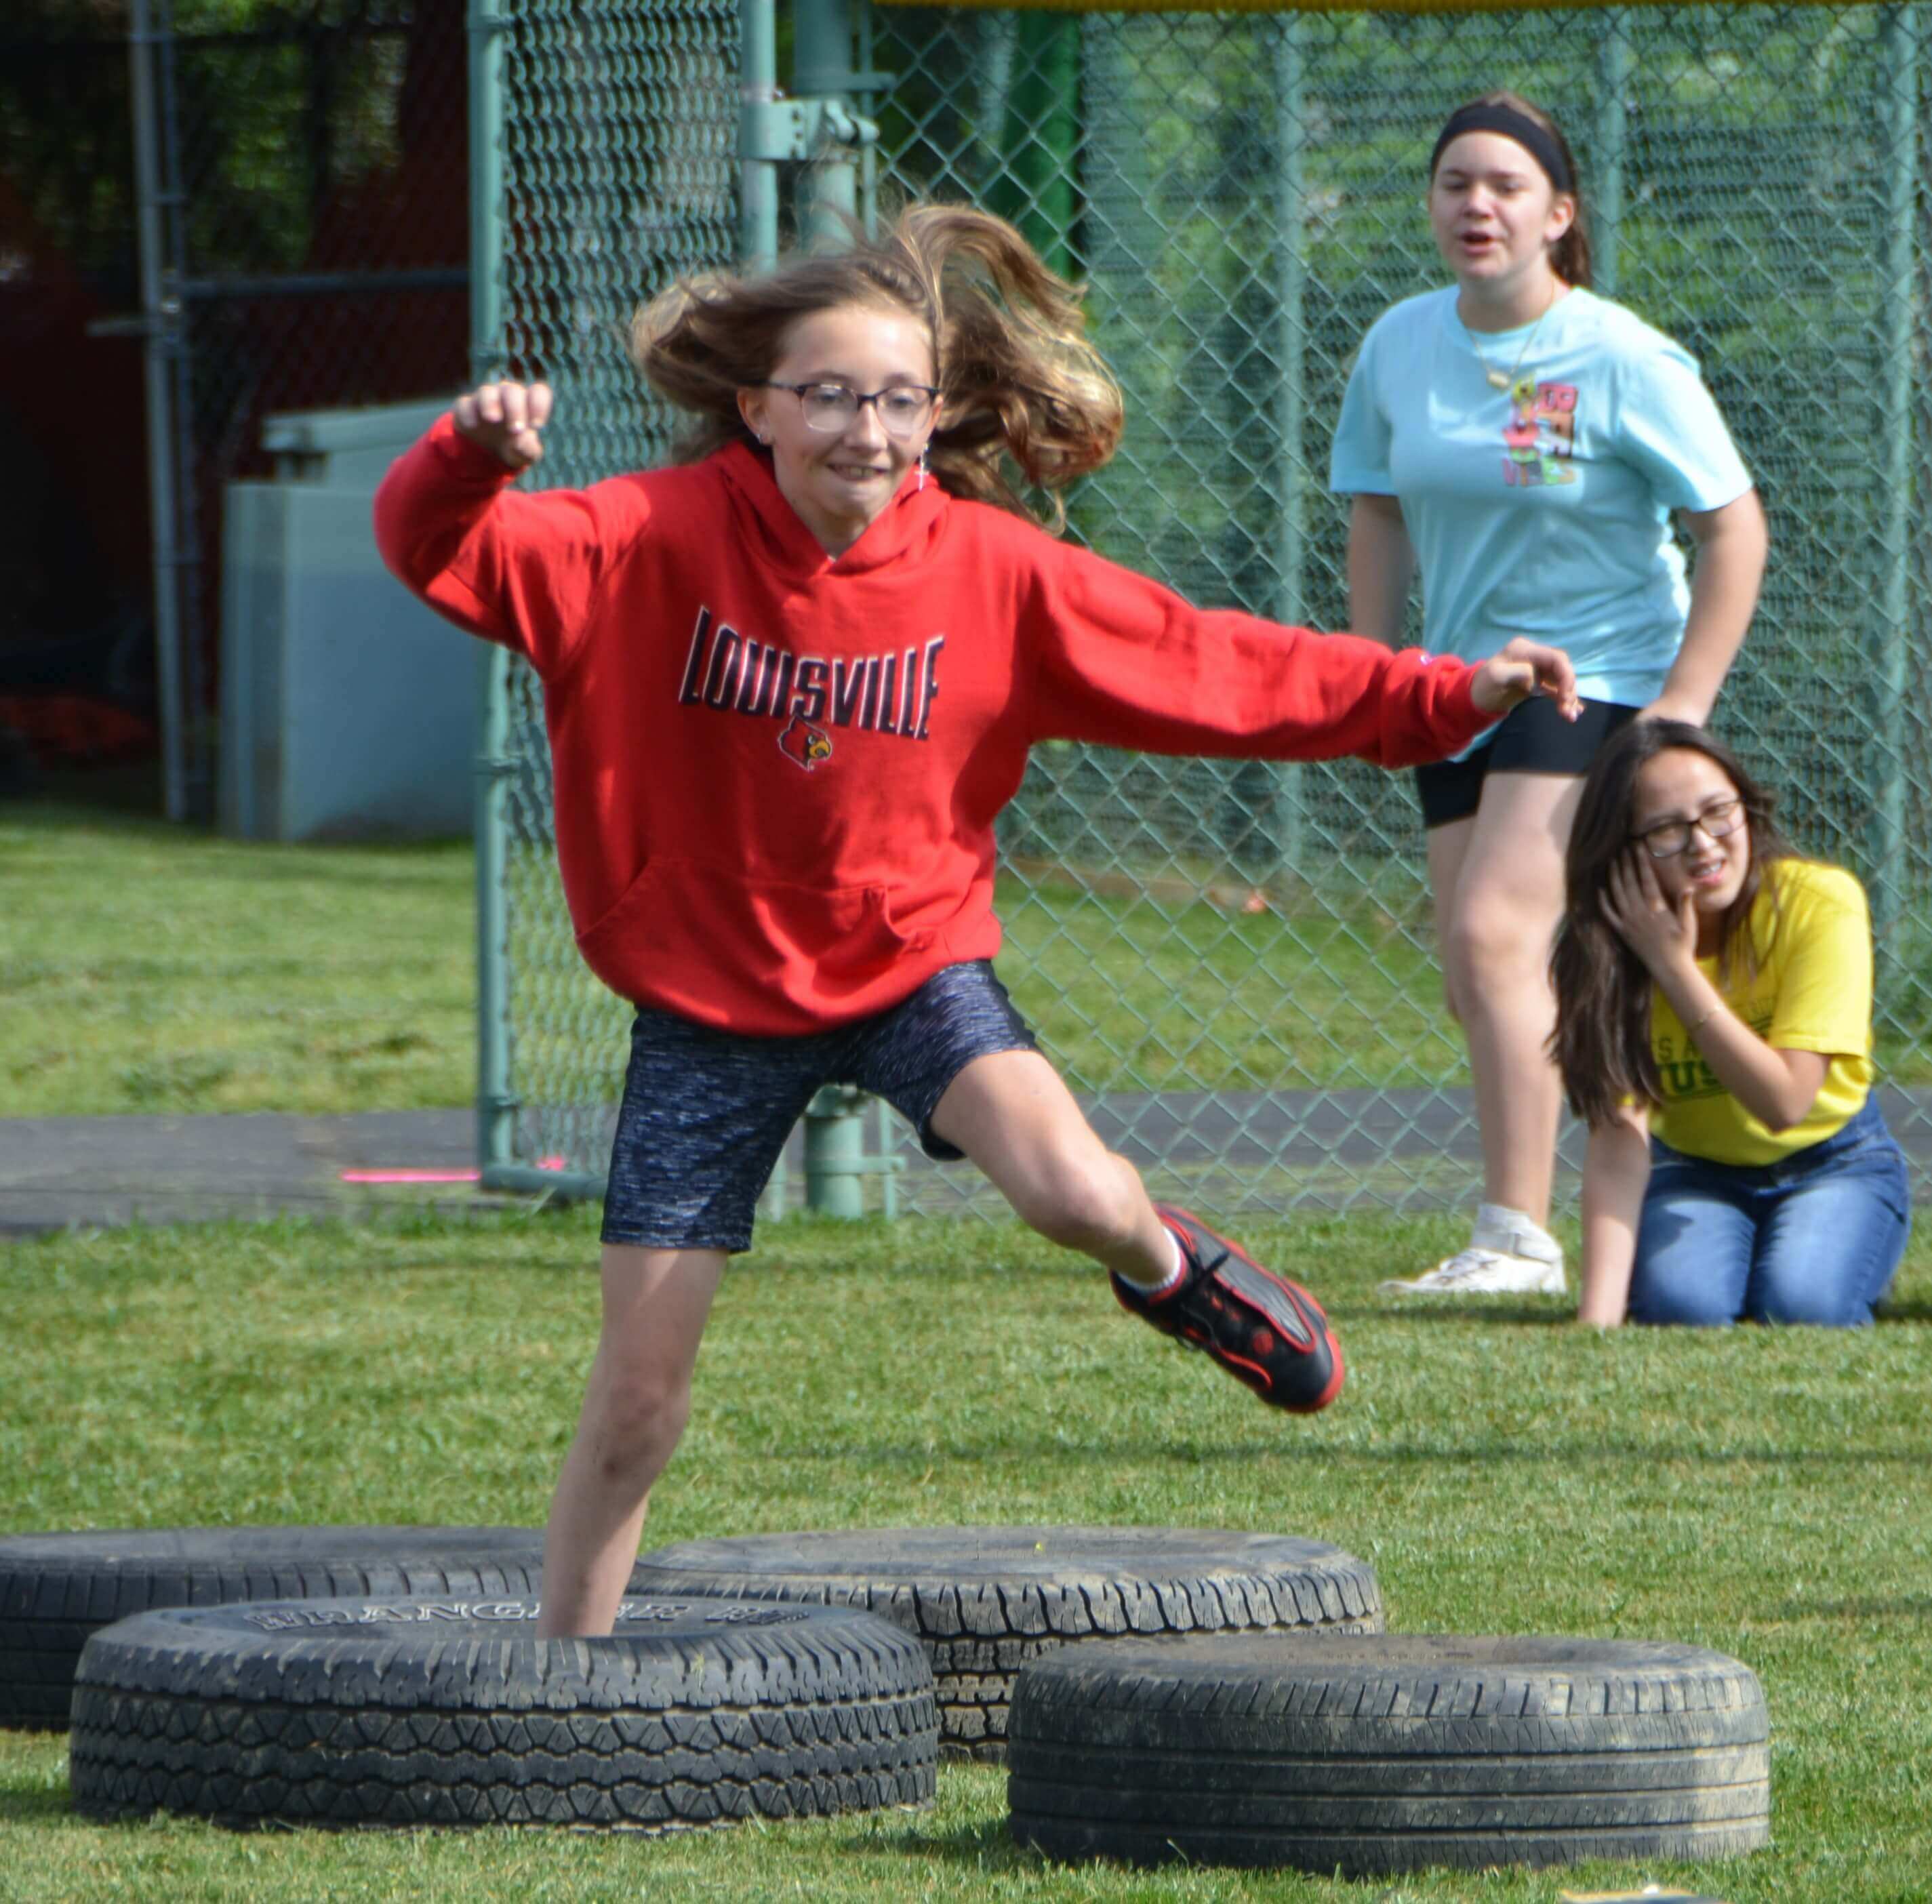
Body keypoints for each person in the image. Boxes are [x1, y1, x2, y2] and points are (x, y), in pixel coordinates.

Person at [374, 203, 1577, 1638]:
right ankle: (565, 1686)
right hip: (706, 1006)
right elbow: (435, 550)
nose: (865, 432)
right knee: (636, 1399)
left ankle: (1176, 1271)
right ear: (753, 404)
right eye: (827, 396)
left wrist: (1445, 694)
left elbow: (1220, 667)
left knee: (1078, 1194)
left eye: (897, 400)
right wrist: (467, 459)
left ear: (936, 412)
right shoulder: (642, 537)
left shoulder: (994, 576)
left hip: (910, 967)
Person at [1329, 92, 1769, 1298]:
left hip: (1600, 678)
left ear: (1559, 214)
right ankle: (1597, 1182)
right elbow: (1376, 504)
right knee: (1480, 969)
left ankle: (1515, 1236)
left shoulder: (1623, 354)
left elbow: (1733, 525)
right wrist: (1379, 674)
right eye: (1456, 182)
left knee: (1493, 930)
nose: (1478, 204)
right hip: (1461, 687)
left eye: (1507, 186)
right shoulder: (1400, 344)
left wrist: (1683, 701)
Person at [1550, 720, 1908, 1327]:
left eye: (1719, 811)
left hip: (1832, 1159)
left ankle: (1842, 1239)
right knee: (1682, 1308)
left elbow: (1785, 1102)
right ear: (1622, 848)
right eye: (1667, 829)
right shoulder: (1605, 945)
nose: (1704, 844)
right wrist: (1597, 1322)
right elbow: (1617, 1138)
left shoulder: (1819, 903)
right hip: (1696, 1170)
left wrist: (1673, 966)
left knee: (1801, 1305)